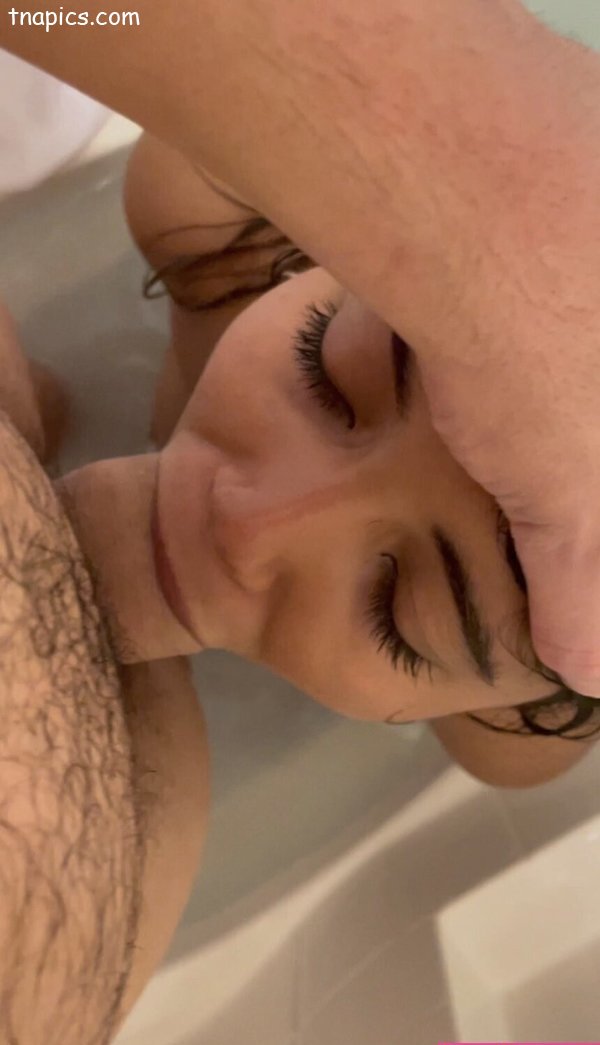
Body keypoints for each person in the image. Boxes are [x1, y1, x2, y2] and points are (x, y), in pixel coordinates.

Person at [2, 0, 600, 697]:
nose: (248, 523)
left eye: (393, 615)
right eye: (327, 370)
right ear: (314, 260)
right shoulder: (210, 238)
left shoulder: (518, 721)